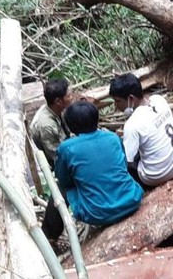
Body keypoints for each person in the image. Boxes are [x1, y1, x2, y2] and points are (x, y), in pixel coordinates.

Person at [41, 101, 143, 240]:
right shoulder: (113, 137)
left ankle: (49, 236)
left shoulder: (67, 148)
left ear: (71, 126)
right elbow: (123, 164)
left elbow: (64, 179)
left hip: (97, 213)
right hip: (131, 200)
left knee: (58, 189)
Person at [108, 74, 173, 188]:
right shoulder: (159, 100)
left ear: (131, 99)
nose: (116, 106)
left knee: (122, 162)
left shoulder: (133, 124)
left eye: (118, 101)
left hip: (155, 176)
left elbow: (126, 161)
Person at [29, 78, 72, 169]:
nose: (71, 98)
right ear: (58, 101)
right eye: (68, 96)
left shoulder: (54, 109)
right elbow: (56, 156)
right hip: (49, 165)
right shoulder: (47, 125)